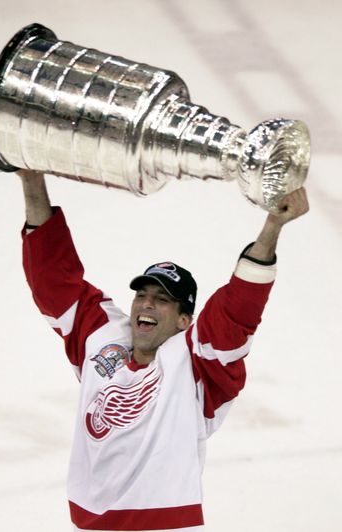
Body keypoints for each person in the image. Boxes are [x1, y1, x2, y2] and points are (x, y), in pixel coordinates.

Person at [18, 168, 309, 532]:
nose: (146, 305)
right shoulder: (103, 336)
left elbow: (237, 308)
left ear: (184, 320)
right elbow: (52, 276)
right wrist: (31, 178)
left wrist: (272, 228)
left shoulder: (197, 365)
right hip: (89, 526)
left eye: (162, 300)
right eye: (142, 295)